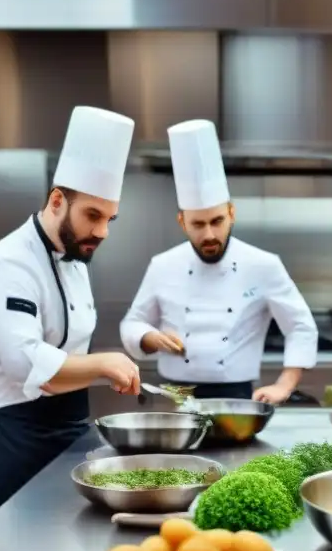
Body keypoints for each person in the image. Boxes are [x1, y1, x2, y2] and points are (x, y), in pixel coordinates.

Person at [0, 106, 141, 531]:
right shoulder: (8, 263)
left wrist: (99, 369)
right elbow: (26, 365)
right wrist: (102, 364)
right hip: (17, 440)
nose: (103, 232)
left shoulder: (77, 260)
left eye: (109, 219)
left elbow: (64, 353)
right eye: (93, 216)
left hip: (69, 434)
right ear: (57, 201)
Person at [120, 119, 318, 403]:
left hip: (237, 395)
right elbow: (133, 322)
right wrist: (148, 338)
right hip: (175, 395)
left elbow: (301, 326)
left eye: (217, 221)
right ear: (182, 222)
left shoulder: (263, 265)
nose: (209, 234)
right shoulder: (163, 265)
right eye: (198, 224)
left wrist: (284, 385)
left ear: (232, 213)